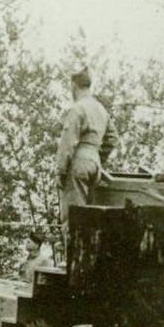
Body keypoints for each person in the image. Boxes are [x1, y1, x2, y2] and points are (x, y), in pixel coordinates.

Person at [55, 67, 119, 224]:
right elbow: (112, 138)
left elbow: (67, 142)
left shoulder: (78, 108)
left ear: (73, 86)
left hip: (78, 162)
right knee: (89, 217)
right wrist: (98, 157)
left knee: (72, 217)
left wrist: (60, 171)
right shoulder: (101, 109)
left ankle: (70, 248)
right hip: (94, 163)